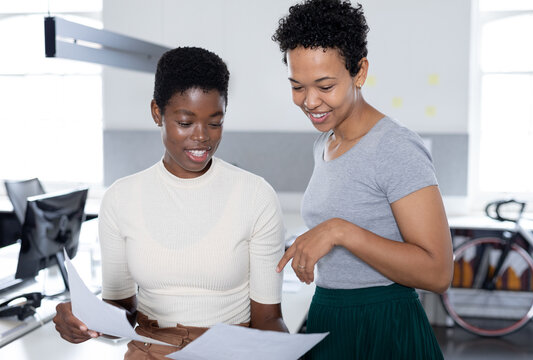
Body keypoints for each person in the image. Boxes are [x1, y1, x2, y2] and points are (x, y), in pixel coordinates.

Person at [53, 46, 288, 359]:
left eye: (215, 122)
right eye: (185, 122)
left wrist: (283, 351)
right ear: (156, 113)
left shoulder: (256, 196)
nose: (202, 137)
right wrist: (85, 320)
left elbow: (268, 319)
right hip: (150, 351)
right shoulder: (121, 199)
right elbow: (121, 310)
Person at [272, 0, 453, 359]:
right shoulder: (325, 143)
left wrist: (341, 231)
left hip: (384, 325)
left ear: (359, 72)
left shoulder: (395, 146)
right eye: (297, 86)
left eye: (325, 85)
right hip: (329, 316)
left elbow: (438, 273)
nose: (310, 101)